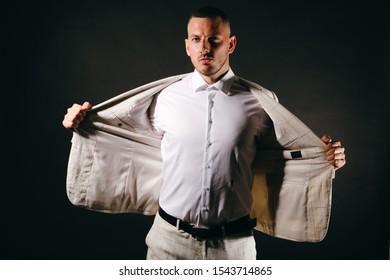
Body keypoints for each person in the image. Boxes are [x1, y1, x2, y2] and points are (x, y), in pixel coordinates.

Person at [62, 6, 346, 260]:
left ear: (231, 44)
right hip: (167, 244)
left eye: (214, 39)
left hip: (234, 249)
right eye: (196, 40)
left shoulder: (261, 103)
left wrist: (325, 159)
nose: (204, 48)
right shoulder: (164, 98)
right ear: (187, 46)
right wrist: (82, 121)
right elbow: (117, 135)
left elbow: (288, 160)